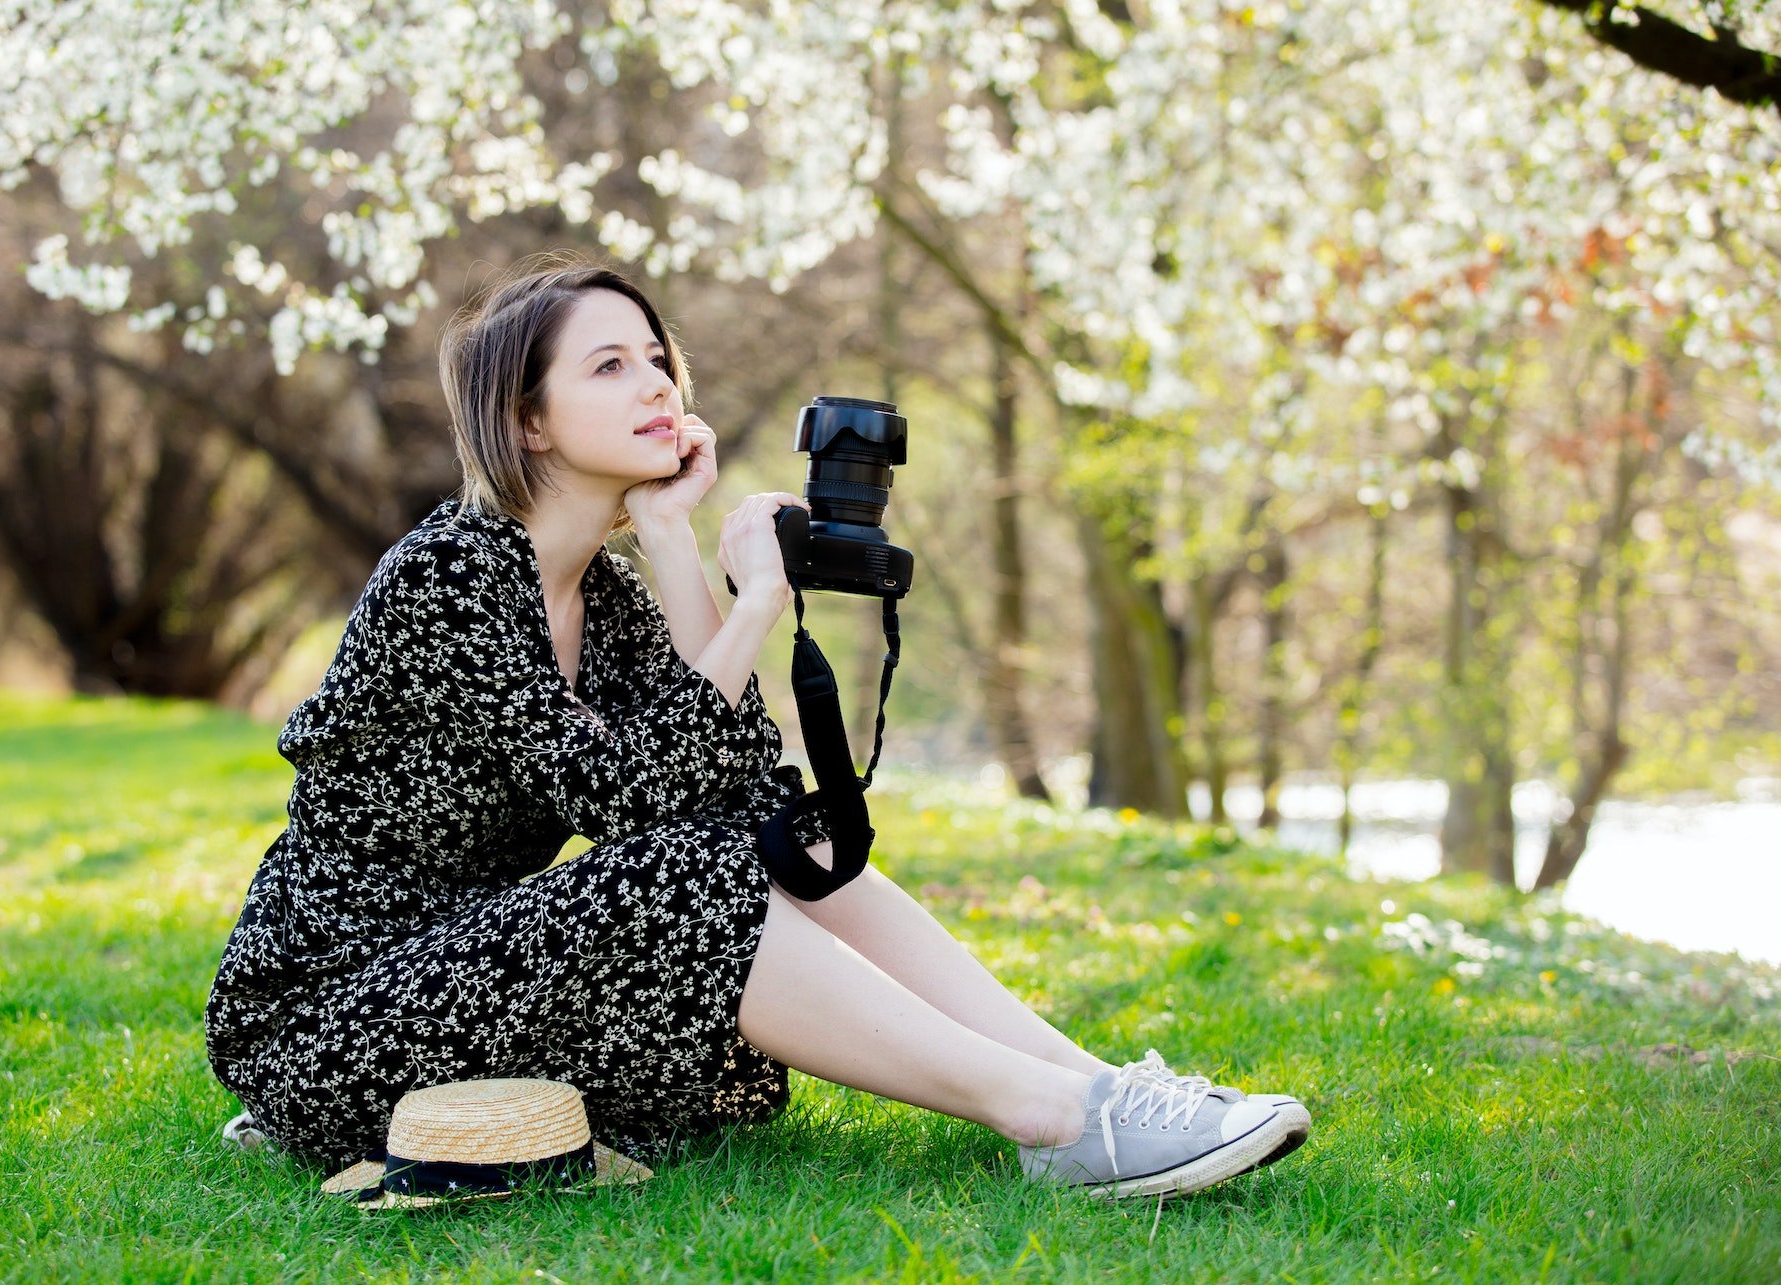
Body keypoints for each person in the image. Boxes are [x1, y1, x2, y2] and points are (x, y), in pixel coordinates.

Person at [203, 252, 1310, 1200]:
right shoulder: (448, 574)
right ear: (524, 421)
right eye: (607, 366)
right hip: (324, 1016)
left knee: (791, 847)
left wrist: (674, 542)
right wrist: (757, 605)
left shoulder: (606, 593)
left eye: (653, 358)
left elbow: (737, 794)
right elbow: (628, 808)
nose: (655, 385)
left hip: (473, 979)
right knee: (675, 875)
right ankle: (1052, 1118)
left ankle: (1100, 1089)